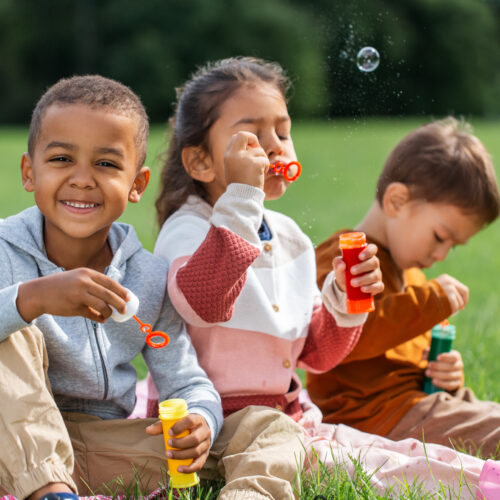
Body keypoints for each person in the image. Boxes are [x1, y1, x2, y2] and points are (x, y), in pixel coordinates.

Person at [147, 57, 498, 498]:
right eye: (253, 134)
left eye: (283, 131)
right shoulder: (189, 229)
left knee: (398, 458)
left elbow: (316, 353)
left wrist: (344, 303)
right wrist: (242, 198)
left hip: (284, 418)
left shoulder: (289, 238)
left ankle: (485, 482)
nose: (274, 146)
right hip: (210, 424)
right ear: (200, 161)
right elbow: (206, 301)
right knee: (373, 467)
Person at [0, 75, 223, 500]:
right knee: (12, 331)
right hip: (7, 437)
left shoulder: (149, 277)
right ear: (30, 172)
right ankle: (48, 490)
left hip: (97, 444)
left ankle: (248, 494)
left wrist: (201, 421)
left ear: (136, 185)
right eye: (62, 159)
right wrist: (31, 299)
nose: (83, 179)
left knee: (259, 428)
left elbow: (186, 381)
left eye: (105, 164)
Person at [307, 117, 500, 460]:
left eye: (452, 246)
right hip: (371, 418)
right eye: (440, 237)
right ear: (397, 201)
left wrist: (445, 375)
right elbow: (344, 342)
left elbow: (404, 358)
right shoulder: (348, 259)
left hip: (414, 406)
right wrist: (428, 303)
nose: (441, 255)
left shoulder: (410, 275)